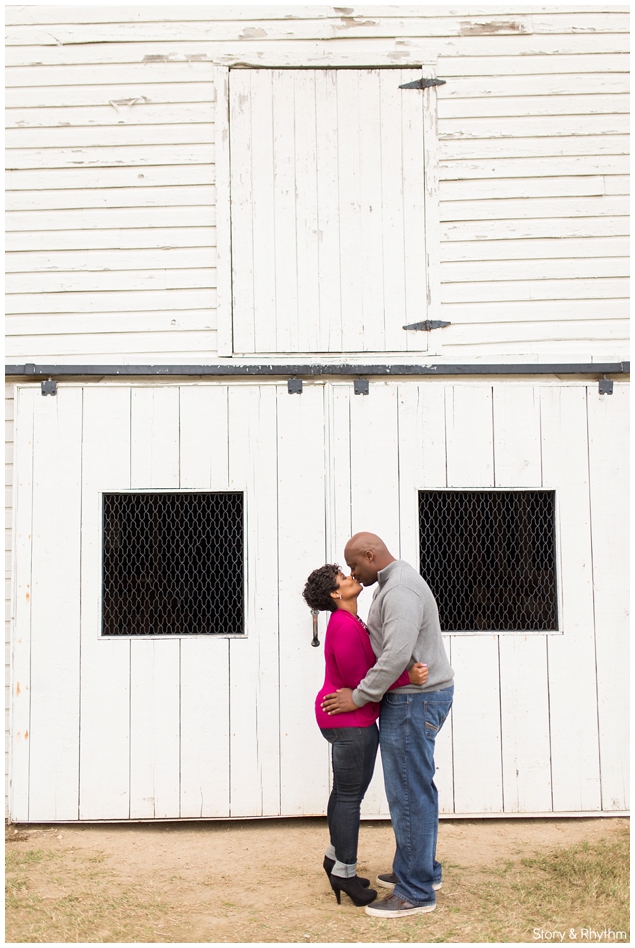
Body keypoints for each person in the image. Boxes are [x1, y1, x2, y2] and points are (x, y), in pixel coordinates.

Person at [321, 533, 454, 918]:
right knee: (415, 787)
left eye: (355, 565)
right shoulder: (395, 583)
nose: (353, 573)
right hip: (412, 697)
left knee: (409, 792)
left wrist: (359, 696)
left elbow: (396, 653)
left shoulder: (399, 591)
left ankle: (415, 892)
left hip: (415, 701)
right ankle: (420, 871)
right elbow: (393, 652)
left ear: (370, 554)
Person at [303, 563, 428, 908]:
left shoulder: (350, 621)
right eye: (344, 578)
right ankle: (344, 871)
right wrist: (408, 680)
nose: (352, 577)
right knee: (349, 798)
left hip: (350, 718)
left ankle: (335, 857)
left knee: (345, 793)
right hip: (349, 722)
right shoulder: (343, 626)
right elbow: (363, 680)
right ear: (335, 594)